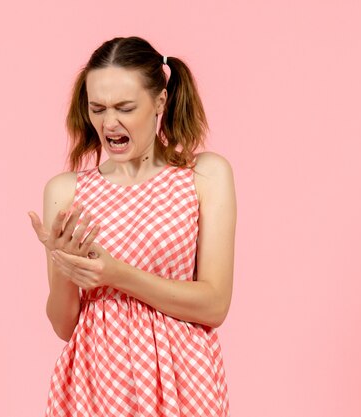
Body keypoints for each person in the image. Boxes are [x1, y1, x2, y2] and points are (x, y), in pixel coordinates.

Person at [28, 36, 236, 417]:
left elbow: (214, 305)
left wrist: (116, 274)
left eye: (125, 107)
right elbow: (63, 325)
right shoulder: (65, 191)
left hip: (184, 382)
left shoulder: (204, 175)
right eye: (97, 108)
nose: (109, 123)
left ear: (160, 102)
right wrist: (62, 265)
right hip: (95, 385)